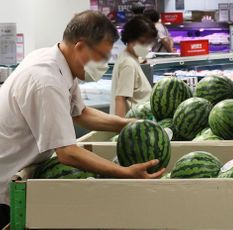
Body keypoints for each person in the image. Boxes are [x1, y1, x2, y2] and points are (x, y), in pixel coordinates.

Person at [0, 11, 165, 229]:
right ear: (80, 47)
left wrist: (127, 124)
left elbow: (80, 113)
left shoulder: (61, 64)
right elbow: (67, 152)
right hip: (5, 183)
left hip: (23, 171)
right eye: (101, 56)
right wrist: (124, 173)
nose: (104, 64)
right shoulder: (45, 80)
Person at [110, 16, 157, 117]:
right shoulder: (128, 64)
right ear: (131, 39)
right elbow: (120, 99)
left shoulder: (130, 57)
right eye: (142, 42)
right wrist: (121, 129)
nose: (146, 46)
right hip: (133, 127)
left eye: (149, 42)